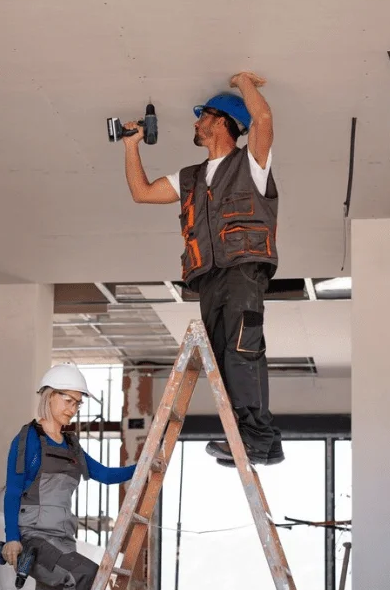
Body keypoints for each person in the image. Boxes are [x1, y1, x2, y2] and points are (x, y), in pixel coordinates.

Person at [120, 71, 283, 467]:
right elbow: (142, 193)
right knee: (223, 360)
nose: (196, 123)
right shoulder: (190, 178)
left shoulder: (252, 163)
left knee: (242, 350)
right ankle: (254, 439)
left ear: (223, 122)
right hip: (208, 277)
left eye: (203, 116)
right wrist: (131, 146)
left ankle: (257, 437)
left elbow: (262, 121)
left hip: (244, 269)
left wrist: (244, 83)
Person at [0, 363, 137, 590]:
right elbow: (12, 491)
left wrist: (143, 468)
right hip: (34, 539)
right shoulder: (28, 441)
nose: (73, 408)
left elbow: (104, 473)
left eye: (78, 402)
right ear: (49, 396)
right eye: (68, 400)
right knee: (85, 573)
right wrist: (12, 538)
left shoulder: (72, 446)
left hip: (63, 540)